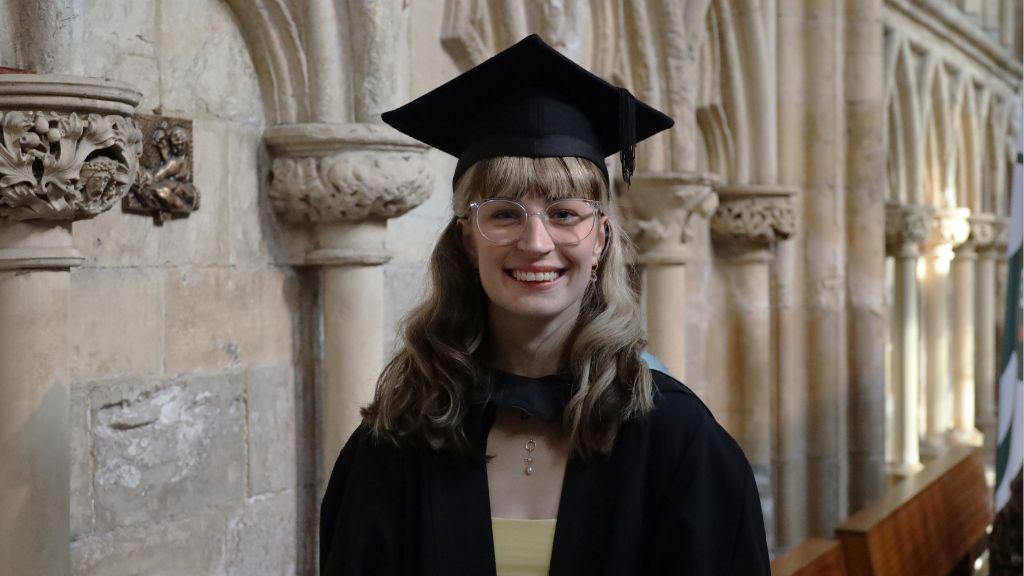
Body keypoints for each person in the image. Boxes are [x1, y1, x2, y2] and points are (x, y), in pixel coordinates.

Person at [319, 34, 770, 575]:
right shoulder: (399, 438)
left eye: (564, 212)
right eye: (504, 213)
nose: (535, 242)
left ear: (601, 237)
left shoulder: (678, 440)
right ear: (466, 239)